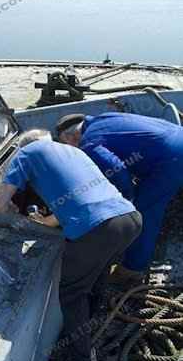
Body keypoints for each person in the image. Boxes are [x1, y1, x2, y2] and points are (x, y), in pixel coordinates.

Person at [0, 129, 142, 361]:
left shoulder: (26, 152)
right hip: (129, 219)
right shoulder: (74, 152)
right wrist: (42, 222)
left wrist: (7, 207)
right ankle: (91, 324)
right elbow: (69, 205)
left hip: (97, 229)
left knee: (72, 294)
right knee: (98, 273)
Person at [56, 112, 183, 283]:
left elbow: (118, 171)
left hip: (171, 160)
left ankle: (132, 269)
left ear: (70, 137)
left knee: (143, 212)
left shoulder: (89, 142)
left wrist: (127, 199)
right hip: (177, 137)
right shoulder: (104, 118)